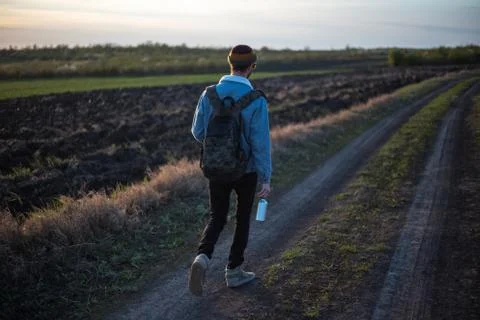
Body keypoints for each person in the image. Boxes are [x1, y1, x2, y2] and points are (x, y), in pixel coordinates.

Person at [189, 44, 272, 296]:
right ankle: (234, 272)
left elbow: (198, 132)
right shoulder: (256, 99)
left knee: (218, 215)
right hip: (245, 171)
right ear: (252, 67)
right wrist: (265, 177)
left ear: (230, 64)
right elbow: (260, 142)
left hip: (216, 168)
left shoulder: (209, 94)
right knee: (242, 217)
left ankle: (202, 257)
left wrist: (219, 147)